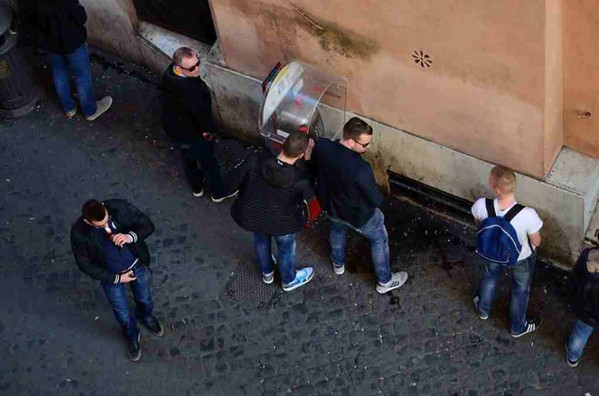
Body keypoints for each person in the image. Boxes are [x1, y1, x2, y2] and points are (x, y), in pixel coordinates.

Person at [311, 117, 408, 294]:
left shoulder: (322, 146)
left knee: (337, 230)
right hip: (358, 215)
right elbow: (375, 200)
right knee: (379, 239)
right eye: (364, 145)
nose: (368, 147)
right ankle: (384, 280)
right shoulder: (361, 169)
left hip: (331, 206)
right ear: (350, 141)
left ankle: (338, 263)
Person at [70, 199, 163, 362]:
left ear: (104, 206)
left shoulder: (119, 208)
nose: (106, 227)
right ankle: (132, 335)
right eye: (100, 225)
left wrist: (130, 237)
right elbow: (84, 264)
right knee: (121, 312)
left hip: (136, 265)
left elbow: (147, 224)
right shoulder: (79, 233)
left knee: (145, 298)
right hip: (111, 277)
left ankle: (146, 316)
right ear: (87, 221)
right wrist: (117, 278)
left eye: (107, 220)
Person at [231, 132, 315, 291]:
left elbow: (236, 180)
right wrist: (309, 160)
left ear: (283, 143)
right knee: (286, 250)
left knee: (261, 241)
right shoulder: (300, 179)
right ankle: (288, 280)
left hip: (256, 215)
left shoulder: (256, 161)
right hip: (283, 223)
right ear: (301, 154)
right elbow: (309, 195)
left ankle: (267, 272)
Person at [472, 165, 543, 337]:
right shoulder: (528, 214)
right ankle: (518, 326)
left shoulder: (481, 205)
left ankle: (483, 309)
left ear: (496, 189)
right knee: (520, 289)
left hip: (493, 252)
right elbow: (537, 241)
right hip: (521, 257)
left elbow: (478, 225)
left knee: (490, 277)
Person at [160, 46, 238, 202]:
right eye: (191, 68)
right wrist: (207, 132)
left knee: (188, 161)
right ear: (179, 67)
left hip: (176, 130)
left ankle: (197, 187)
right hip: (193, 134)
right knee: (210, 164)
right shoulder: (190, 89)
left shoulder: (170, 75)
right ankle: (218, 192)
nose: (196, 70)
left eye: (198, 63)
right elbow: (201, 114)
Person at [22, 0, 112, 120]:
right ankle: (90, 110)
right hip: (73, 41)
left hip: (51, 43)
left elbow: (29, 20)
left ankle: (69, 107)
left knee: (59, 74)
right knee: (82, 76)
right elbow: (81, 17)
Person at [566, 247, 599, 367]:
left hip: (587, 311)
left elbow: (576, 277)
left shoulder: (588, 256)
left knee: (580, 333)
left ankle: (573, 357)